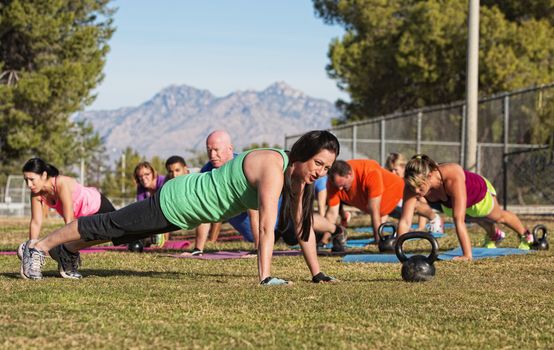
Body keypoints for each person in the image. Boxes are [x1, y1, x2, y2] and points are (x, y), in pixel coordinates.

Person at [20, 130, 341, 285]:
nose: (320, 172)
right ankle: (37, 247)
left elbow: (302, 228)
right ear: (302, 153)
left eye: (327, 168)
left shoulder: (297, 179)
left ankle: (68, 250)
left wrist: (318, 273)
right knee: (110, 224)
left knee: (116, 232)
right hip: (178, 199)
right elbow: (265, 225)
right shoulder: (274, 165)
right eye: (318, 163)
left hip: (185, 212)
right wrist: (266, 277)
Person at [397, 154, 534, 261]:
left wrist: (467, 255)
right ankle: (494, 236)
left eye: (420, 187)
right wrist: (399, 250)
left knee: (497, 217)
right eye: (412, 187)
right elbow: (405, 221)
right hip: (449, 202)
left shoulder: (451, 176)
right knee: (474, 218)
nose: (415, 191)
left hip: (478, 194)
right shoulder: (412, 184)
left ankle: (526, 235)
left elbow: (458, 220)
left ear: (430, 175)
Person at [20, 158, 116, 279]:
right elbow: (36, 222)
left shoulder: (60, 183)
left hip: (97, 205)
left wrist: (68, 248)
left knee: (121, 233)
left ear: (44, 175)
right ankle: (60, 255)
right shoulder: (36, 193)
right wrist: (32, 248)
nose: (29, 185)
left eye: (32, 179)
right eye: (26, 180)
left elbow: (69, 221)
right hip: (82, 217)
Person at [325, 159, 406, 243]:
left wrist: (378, 240)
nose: (340, 189)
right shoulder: (333, 182)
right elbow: (332, 213)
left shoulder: (368, 172)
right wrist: (323, 242)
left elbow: (374, 210)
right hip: (381, 206)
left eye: (342, 185)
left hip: (397, 193)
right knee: (404, 222)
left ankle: (420, 228)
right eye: (338, 186)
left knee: (415, 207)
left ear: (349, 174)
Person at [385, 153, 443, 232]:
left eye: (395, 170)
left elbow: (422, 200)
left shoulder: (410, 181)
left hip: (415, 206)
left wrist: (421, 227)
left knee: (414, 204)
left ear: (403, 168)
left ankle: (434, 218)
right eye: (390, 170)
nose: (393, 173)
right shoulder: (390, 180)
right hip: (400, 208)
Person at [133, 161, 166, 247]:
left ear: (153, 173)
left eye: (147, 174)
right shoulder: (141, 187)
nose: (143, 178)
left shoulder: (163, 181)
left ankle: (162, 238)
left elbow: (164, 205)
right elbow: (140, 208)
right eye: (140, 176)